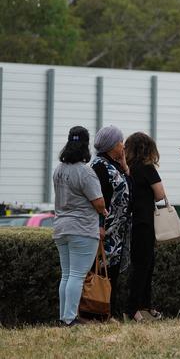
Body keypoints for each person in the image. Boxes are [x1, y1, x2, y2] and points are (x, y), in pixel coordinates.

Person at [52, 126, 107, 326]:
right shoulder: (86, 171)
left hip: (61, 227)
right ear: (86, 144)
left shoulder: (59, 169)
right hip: (82, 228)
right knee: (77, 275)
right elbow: (99, 202)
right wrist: (103, 211)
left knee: (66, 274)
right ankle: (70, 318)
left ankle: (64, 316)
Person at [91, 125, 132, 319]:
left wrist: (124, 166)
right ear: (111, 145)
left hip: (116, 231)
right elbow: (98, 199)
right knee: (102, 274)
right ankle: (99, 312)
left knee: (113, 273)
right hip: (106, 231)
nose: (123, 146)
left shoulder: (113, 164)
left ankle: (109, 313)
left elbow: (129, 189)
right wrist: (100, 224)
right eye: (120, 142)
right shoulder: (99, 166)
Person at [124, 132, 166, 322]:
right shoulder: (148, 169)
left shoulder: (127, 168)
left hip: (131, 221)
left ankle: (143, 307)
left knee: (140, 265)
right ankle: (134, 309)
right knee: (145, 267)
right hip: (145, 222)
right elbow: (160, 194)